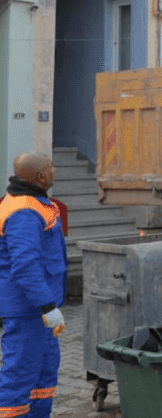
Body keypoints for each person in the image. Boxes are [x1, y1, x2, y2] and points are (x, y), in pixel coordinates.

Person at [0, 153, 67, 418]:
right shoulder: (24, 211)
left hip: (38, 311)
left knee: (44, 375)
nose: (54, 171)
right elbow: (25, 265)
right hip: (29, 310)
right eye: (51, 167)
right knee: (20, 375)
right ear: (40, 176)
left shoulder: (33, 203)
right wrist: (47, 306)